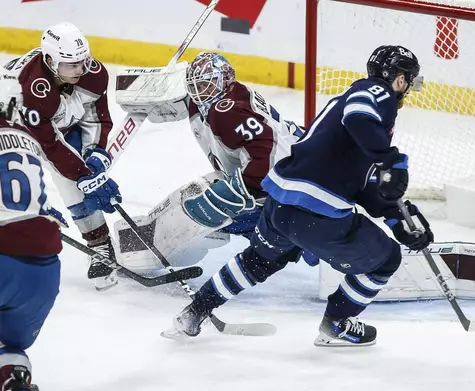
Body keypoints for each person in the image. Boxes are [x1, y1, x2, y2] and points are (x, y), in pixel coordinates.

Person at [162, 45, 433, 347]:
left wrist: (397, 219)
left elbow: (364, 184)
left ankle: (193, 313)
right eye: (408, 80)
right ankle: (337, 323)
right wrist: (392, 160)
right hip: (317, 214)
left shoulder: (347, 116)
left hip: (279, 203)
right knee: (386, 260)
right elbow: (361, 118)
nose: (407, 88)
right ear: (398, 79)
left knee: (258, 261)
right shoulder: (375, 93)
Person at [113, 52, 307, 271]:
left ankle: (147, 259)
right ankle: (140, 246)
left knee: (197, 218)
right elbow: (174, 99)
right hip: (286, 177)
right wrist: (146, 88)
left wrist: (237, 190)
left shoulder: (229, 111)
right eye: (195, 87)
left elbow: (266, 154)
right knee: (190, 196)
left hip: (285, 192)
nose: (199, 93)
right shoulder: (217, 99)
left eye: (206, 86)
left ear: (226, 79)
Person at [4, 22, 122, 290]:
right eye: (71, 64)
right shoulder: (31, 88)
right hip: (16, 131)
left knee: (75, 187)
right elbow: (48, 145)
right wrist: (82, 175)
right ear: (49, 60)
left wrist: (95, 156)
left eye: (84, 61)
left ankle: (101, 245)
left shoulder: (92, 73)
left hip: (53, 123)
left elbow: (96, 117)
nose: (80, 70)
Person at [0, 72, 69, 391]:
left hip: (4, 258)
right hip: (44, 273)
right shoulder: (28, 139)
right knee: (9, 347)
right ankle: (15, 380)